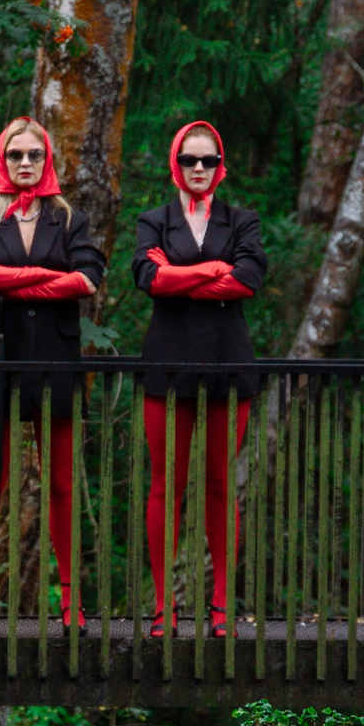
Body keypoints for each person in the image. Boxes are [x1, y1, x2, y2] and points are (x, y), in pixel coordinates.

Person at [0, 116, 103, 631]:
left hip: (56, 360)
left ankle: (70, 600)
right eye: (15, 154)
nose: (24, 163)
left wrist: (12, 283)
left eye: (33, 155)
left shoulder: (71, 220)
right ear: (2, 159)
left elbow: (87, 278)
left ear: (47, 161)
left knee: (61, 482)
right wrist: (41, 276)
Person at [131, 120, 265, 639]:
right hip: (167, 363)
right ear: (176, 164)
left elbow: (250, 278)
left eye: (208, 160)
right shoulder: (154, 220)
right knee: (167, 484)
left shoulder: (242, 219)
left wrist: (181, 277)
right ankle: (165, 606)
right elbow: (148, 279)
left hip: (229, 363)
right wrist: (215, 272)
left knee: (217, 483)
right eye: (190, 160)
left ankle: (221, 605)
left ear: (221, 165)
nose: (199, 169)